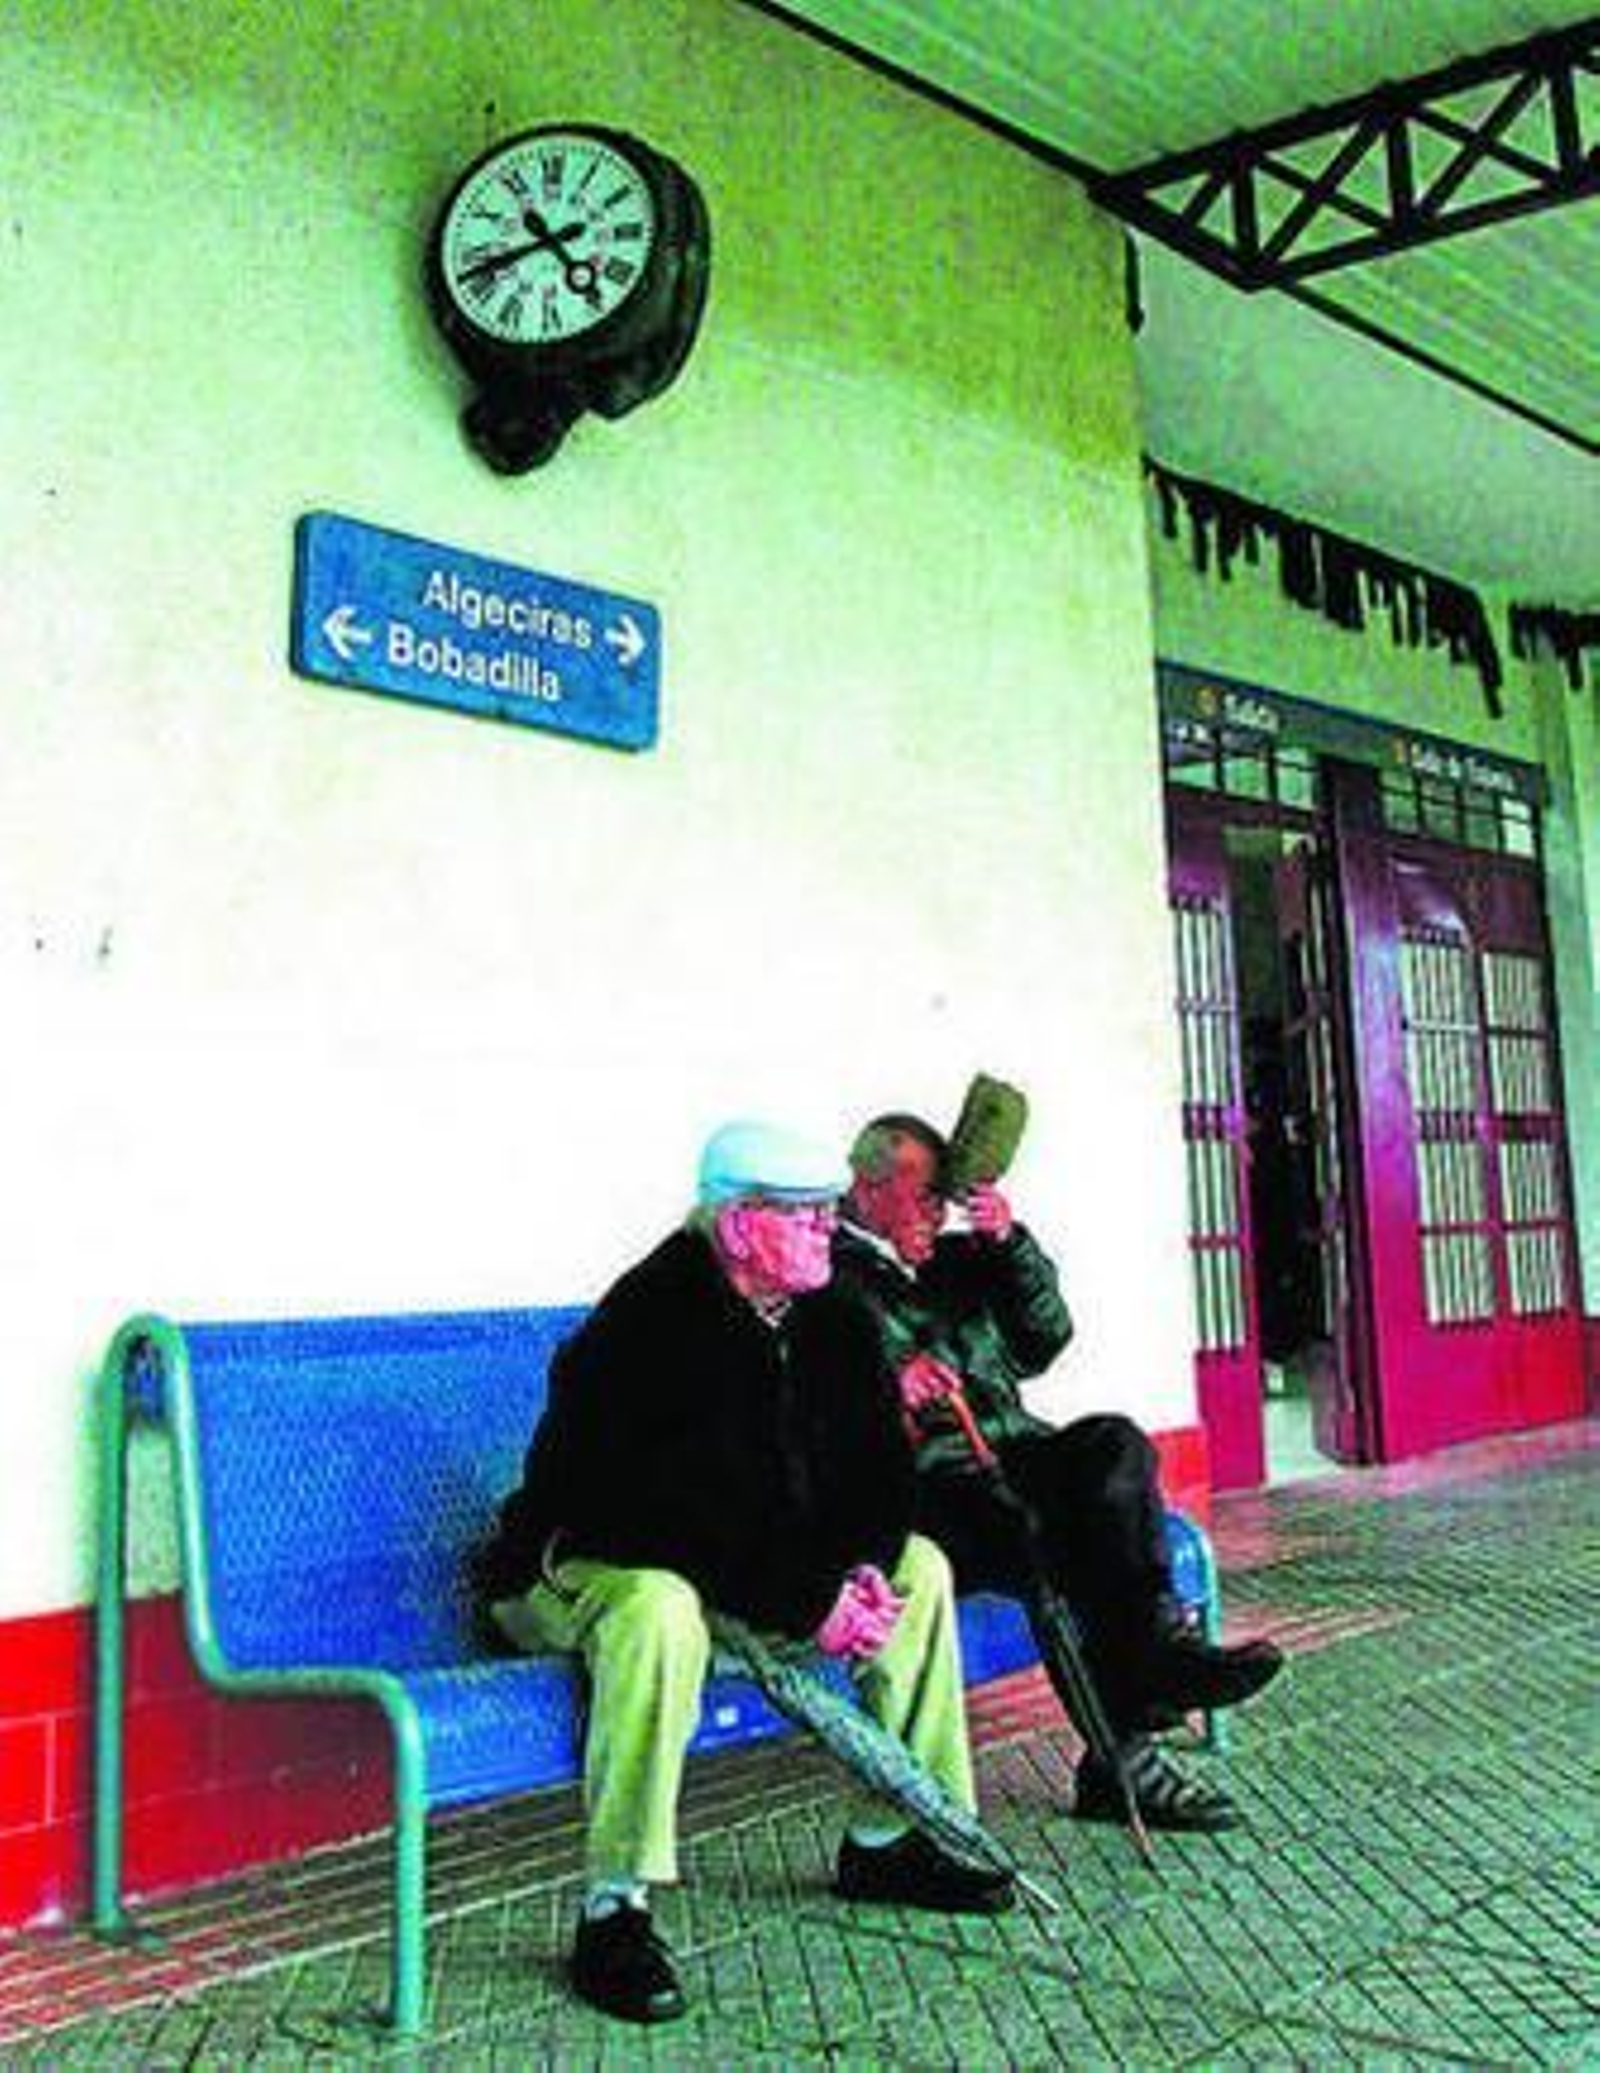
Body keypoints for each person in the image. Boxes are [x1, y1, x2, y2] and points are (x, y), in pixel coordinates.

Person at [476, 1119, 1012, 2027]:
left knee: (919, 1565)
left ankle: (889, 1837)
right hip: (578, 1570)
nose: (823, 1231)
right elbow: (655, 1513)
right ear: (733, 1227)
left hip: (739, 1574)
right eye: (799, 1216)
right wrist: (809, 1599)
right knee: (659, 1608)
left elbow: (879, 1466)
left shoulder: (831, 1311)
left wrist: (864, 1573)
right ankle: (617, 1907)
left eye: (826, 1212)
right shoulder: (648, 1320)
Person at [831, 1112, 1284, 1834]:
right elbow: (805, 1397)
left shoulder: (958, 1259)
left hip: (1010, 1452)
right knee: (1044, 1534)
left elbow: (1047, 1338)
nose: (936, 1213)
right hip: (920, 1486)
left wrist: (1010, 1245)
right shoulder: (823, 1276)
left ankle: (1163, 1650)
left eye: (942, 1199)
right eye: (921, 1197)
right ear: (867, 1186)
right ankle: (1124, 1756)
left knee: (1116, 1446)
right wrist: (889, 1384)